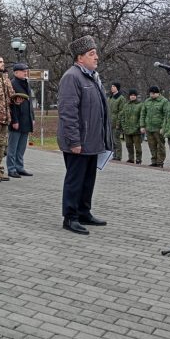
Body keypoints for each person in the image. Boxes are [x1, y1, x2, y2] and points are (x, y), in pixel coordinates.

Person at [58, 35, 111, 235]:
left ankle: (83, 212)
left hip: (92, 141)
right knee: (75, 180)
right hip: (78, 142)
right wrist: (74, 141)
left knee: (88, 180)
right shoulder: (72, 77)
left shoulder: (92, 77)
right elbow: (68, 112)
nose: (96, 57)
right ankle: (70, 217)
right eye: (91, 54)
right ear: (80, 58)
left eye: (95, 53)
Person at [7, 62, 35, 178]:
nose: (25, 72)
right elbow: (12, 105)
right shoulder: (12, 84)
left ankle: (19, 167)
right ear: (16, 72)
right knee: (13, 147)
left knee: (22, 147)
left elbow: (29, 103)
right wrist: (14, 121)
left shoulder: (26, 83)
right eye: (23, 71)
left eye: (26, 70)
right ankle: (11, 168)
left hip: (26, 120)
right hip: (17, 121)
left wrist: (32, 117)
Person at [140, 86, 168, 167]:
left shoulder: (164, 101)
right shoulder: (147, 101)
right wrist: (142, 126)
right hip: (149, 128)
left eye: (153, 93)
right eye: (150, 93)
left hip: (158, 128)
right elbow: (143, 114)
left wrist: (163, 127)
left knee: (160, 146)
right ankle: (154, 161)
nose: (151, 95)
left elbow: (166, 115)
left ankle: (160, 162)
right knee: (151, 145)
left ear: (158, 93)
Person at [122, 89, 143, 164]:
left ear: (136, 96)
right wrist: (124, 127)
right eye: (131, 95)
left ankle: (138, 159)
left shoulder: (140, 105)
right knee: (129, 145)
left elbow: (141, 117)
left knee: (138, 147)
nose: (132, 97)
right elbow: (123, 117)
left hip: (136, 130)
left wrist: (138, 127)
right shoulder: (126, 105)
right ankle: (130, 158)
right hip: (127, 130)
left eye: (134, 95)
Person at [107, 82, 126, 161]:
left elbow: (121, 112)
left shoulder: (121, 98)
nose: (112, 88)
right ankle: (112, 154)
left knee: (116, 140)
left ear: (117, 88)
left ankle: (118, 156)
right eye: (111, 86)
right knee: (110, 140)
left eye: (114, 86)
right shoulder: (110, 98)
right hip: (109, 121)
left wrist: (118, 123)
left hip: (116, 122)